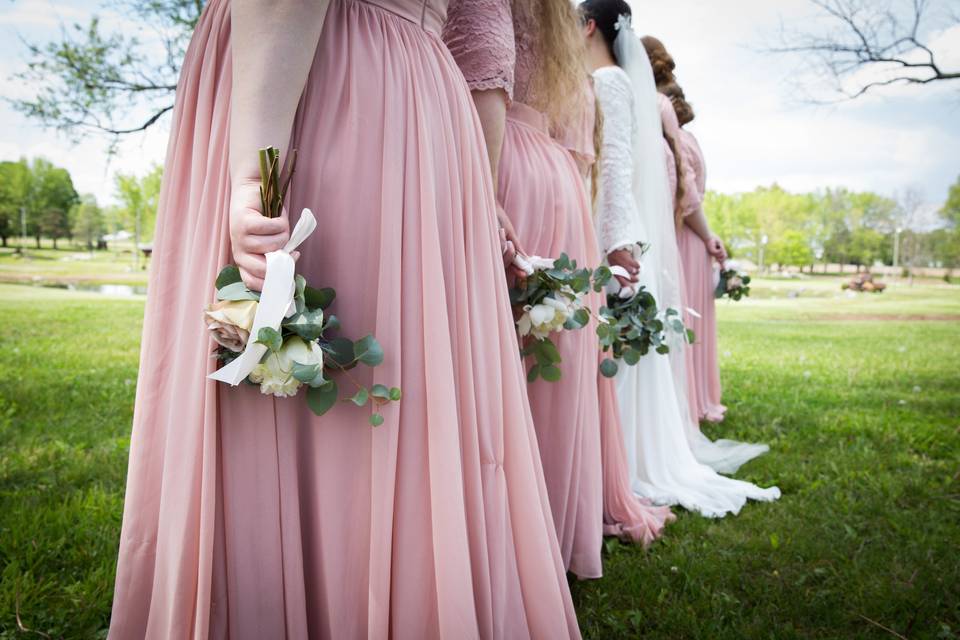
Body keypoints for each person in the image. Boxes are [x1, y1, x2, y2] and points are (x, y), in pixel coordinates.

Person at [108, 1, 581, 637]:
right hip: (424, 108)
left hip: (329, 81)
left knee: (286, 353)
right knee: (402, 373)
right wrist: (480, 186)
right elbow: (484, 37)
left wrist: (255, 172)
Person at [444, 0, 671, 579]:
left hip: (502, 159)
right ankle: (549, 530)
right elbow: (592, 146)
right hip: (559, 176)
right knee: (552, 358)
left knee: (498, 352)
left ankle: (499, 537)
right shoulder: (562, 31)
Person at [579, 0, 781, 518]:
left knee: (614, 358)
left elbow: (616, 169)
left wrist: (612, 244)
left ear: (589, 26)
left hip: (614, 235)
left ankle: (618, 463)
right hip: (616, 230)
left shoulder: (607, 82)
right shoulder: (616, 81)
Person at [645, 36, 770, 474]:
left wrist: (707, 232)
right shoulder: (688, 136)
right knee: (691, 325)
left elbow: (687, 192)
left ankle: (693, 401)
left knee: (685, 324)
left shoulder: (663, 123)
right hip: (688, 237)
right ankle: (698, 399)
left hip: (679, 236)